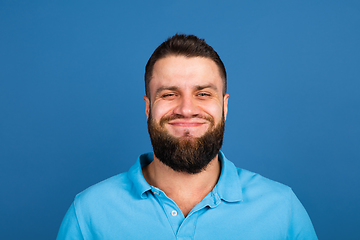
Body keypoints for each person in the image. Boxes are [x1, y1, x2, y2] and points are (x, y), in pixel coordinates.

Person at [57, 34, 318, 239]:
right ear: (148, 108)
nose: (186, 109)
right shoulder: (89, 212)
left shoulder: (282, 210)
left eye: (203, 94)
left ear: (225, 106)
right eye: (169, 94)